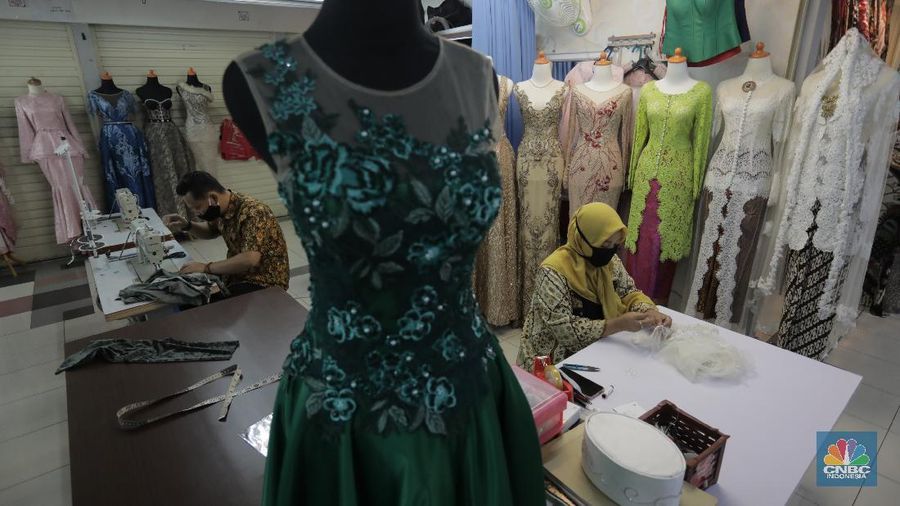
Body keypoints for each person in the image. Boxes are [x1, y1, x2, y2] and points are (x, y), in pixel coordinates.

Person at [518, 203, 672, 370]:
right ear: (583, 238)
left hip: (599, 345)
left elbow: (628, 292)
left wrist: (649, 311)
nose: (610, 251)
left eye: (615, 244)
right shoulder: (552, 272)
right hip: (553, 358)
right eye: (605, 244)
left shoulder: (610, 263)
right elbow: (565, 330)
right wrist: (618, 324)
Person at [162, 171, 289, 297]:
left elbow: (250, 259)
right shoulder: (222, 208)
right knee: (187, 289)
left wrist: (206, 267)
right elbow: (210, 231)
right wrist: (187, 226)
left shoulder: (254, 212)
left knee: (198, 300)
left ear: (213, 197)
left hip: (263, 282)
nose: (196, 213)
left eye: (198, 207)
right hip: (238, 275)